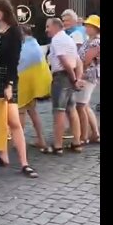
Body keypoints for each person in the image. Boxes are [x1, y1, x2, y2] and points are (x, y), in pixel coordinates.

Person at [0, 0, 36, 178]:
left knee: (13, 121)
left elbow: (14, 61)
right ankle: (3, 156)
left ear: (6, 11)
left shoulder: (14, 32)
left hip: (8, 79)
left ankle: (24, 163)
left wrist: (9, 84)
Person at [41, 17, 85, 155]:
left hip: (61, 77)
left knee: (59, 111)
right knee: (71, 109)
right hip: (69, 77)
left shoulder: (57, 40)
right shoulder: (69, 39)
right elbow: (78, 61)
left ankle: (58, 145)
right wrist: (77, 78)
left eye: (48, 27)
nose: (46, 30)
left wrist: (73, 78)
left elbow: (64, 61)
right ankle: (76, 143)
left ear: (55, 26)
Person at [16, 24, 52, 151]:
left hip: (24, 83)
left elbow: (18, 64)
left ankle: (18, 141)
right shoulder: (35, 44)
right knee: (32, 111)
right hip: (35, 83)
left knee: (20, 111)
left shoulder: (22, 46)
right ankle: (41, 139)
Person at [75, 14, 101, 145]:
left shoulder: (95, 42)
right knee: (85, 105)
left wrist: (79, 74)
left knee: (81, 105)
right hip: (87, 75)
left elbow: (86, 60)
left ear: (95, 28)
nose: (86, 27)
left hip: (88, 76)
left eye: (88, 26)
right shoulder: (89, 40)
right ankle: (95, 134)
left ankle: (84, 135)